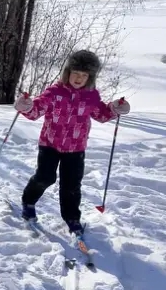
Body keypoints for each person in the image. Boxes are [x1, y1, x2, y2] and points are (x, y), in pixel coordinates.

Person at [14, 50, 130, 235]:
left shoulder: (91, 96)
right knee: (45, 177)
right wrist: (26, 107)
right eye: (76, 73)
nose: (79, 78)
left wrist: (115, 108)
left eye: (84, 75)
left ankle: (72, 218)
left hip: (76, 148)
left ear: (90, 77)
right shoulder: (54, 92)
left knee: (71, 185)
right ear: (68, 72)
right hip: (49, 144)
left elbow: (101, 114)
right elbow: (36, 110)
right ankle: (28, 201)